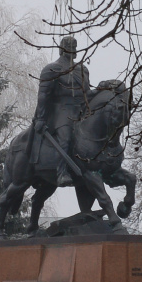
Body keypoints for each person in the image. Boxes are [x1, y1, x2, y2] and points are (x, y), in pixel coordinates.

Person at [31, 36, 91, 186]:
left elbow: (88, 93)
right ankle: (61, 172)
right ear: (61, 49)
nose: (72, 50)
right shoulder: (52, 69)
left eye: (74, 46)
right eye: (69, 47)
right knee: (66, 137)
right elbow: (43, 96)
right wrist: (40, 118)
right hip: (61, 111)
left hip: (81, 111)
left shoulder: (83, 70)